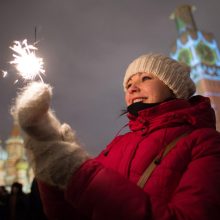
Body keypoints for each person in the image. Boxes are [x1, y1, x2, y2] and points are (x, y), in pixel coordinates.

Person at [12, 53, 220, 220]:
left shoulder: (206, 142)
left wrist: (79, 173)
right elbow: (68, 214)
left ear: (174, 88)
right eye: (128, 84)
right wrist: (49, 163)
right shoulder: (119, 143)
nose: (133, 87)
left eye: (145, 78)